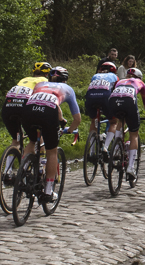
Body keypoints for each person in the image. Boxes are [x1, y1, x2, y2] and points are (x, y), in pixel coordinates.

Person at [19, 66, 81, 202]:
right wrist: (70, 129)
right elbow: (77, 118)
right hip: (48, 112)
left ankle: (22, 173)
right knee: (51, 151)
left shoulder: (40, 84)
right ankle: (48, 191)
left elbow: (41, 101)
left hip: (28, 110)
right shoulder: (68, 89)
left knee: (32, 141)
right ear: (65, 79)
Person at [106, 67, 145, 185]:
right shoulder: (140, 83)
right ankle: (131, 168)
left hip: (113, 101)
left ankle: (116, 148)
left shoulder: (120, 81)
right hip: (129, 102)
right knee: (134, 135)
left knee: (120, 121)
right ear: (139, 77)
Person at [84, 60, 119, 138]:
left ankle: (92, 150)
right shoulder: (115, 77)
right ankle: (106, 147)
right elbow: (116, 92)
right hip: (104, 98)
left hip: (90, 98)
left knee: (94, 121)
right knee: (113, 122)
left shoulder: (95, 76)